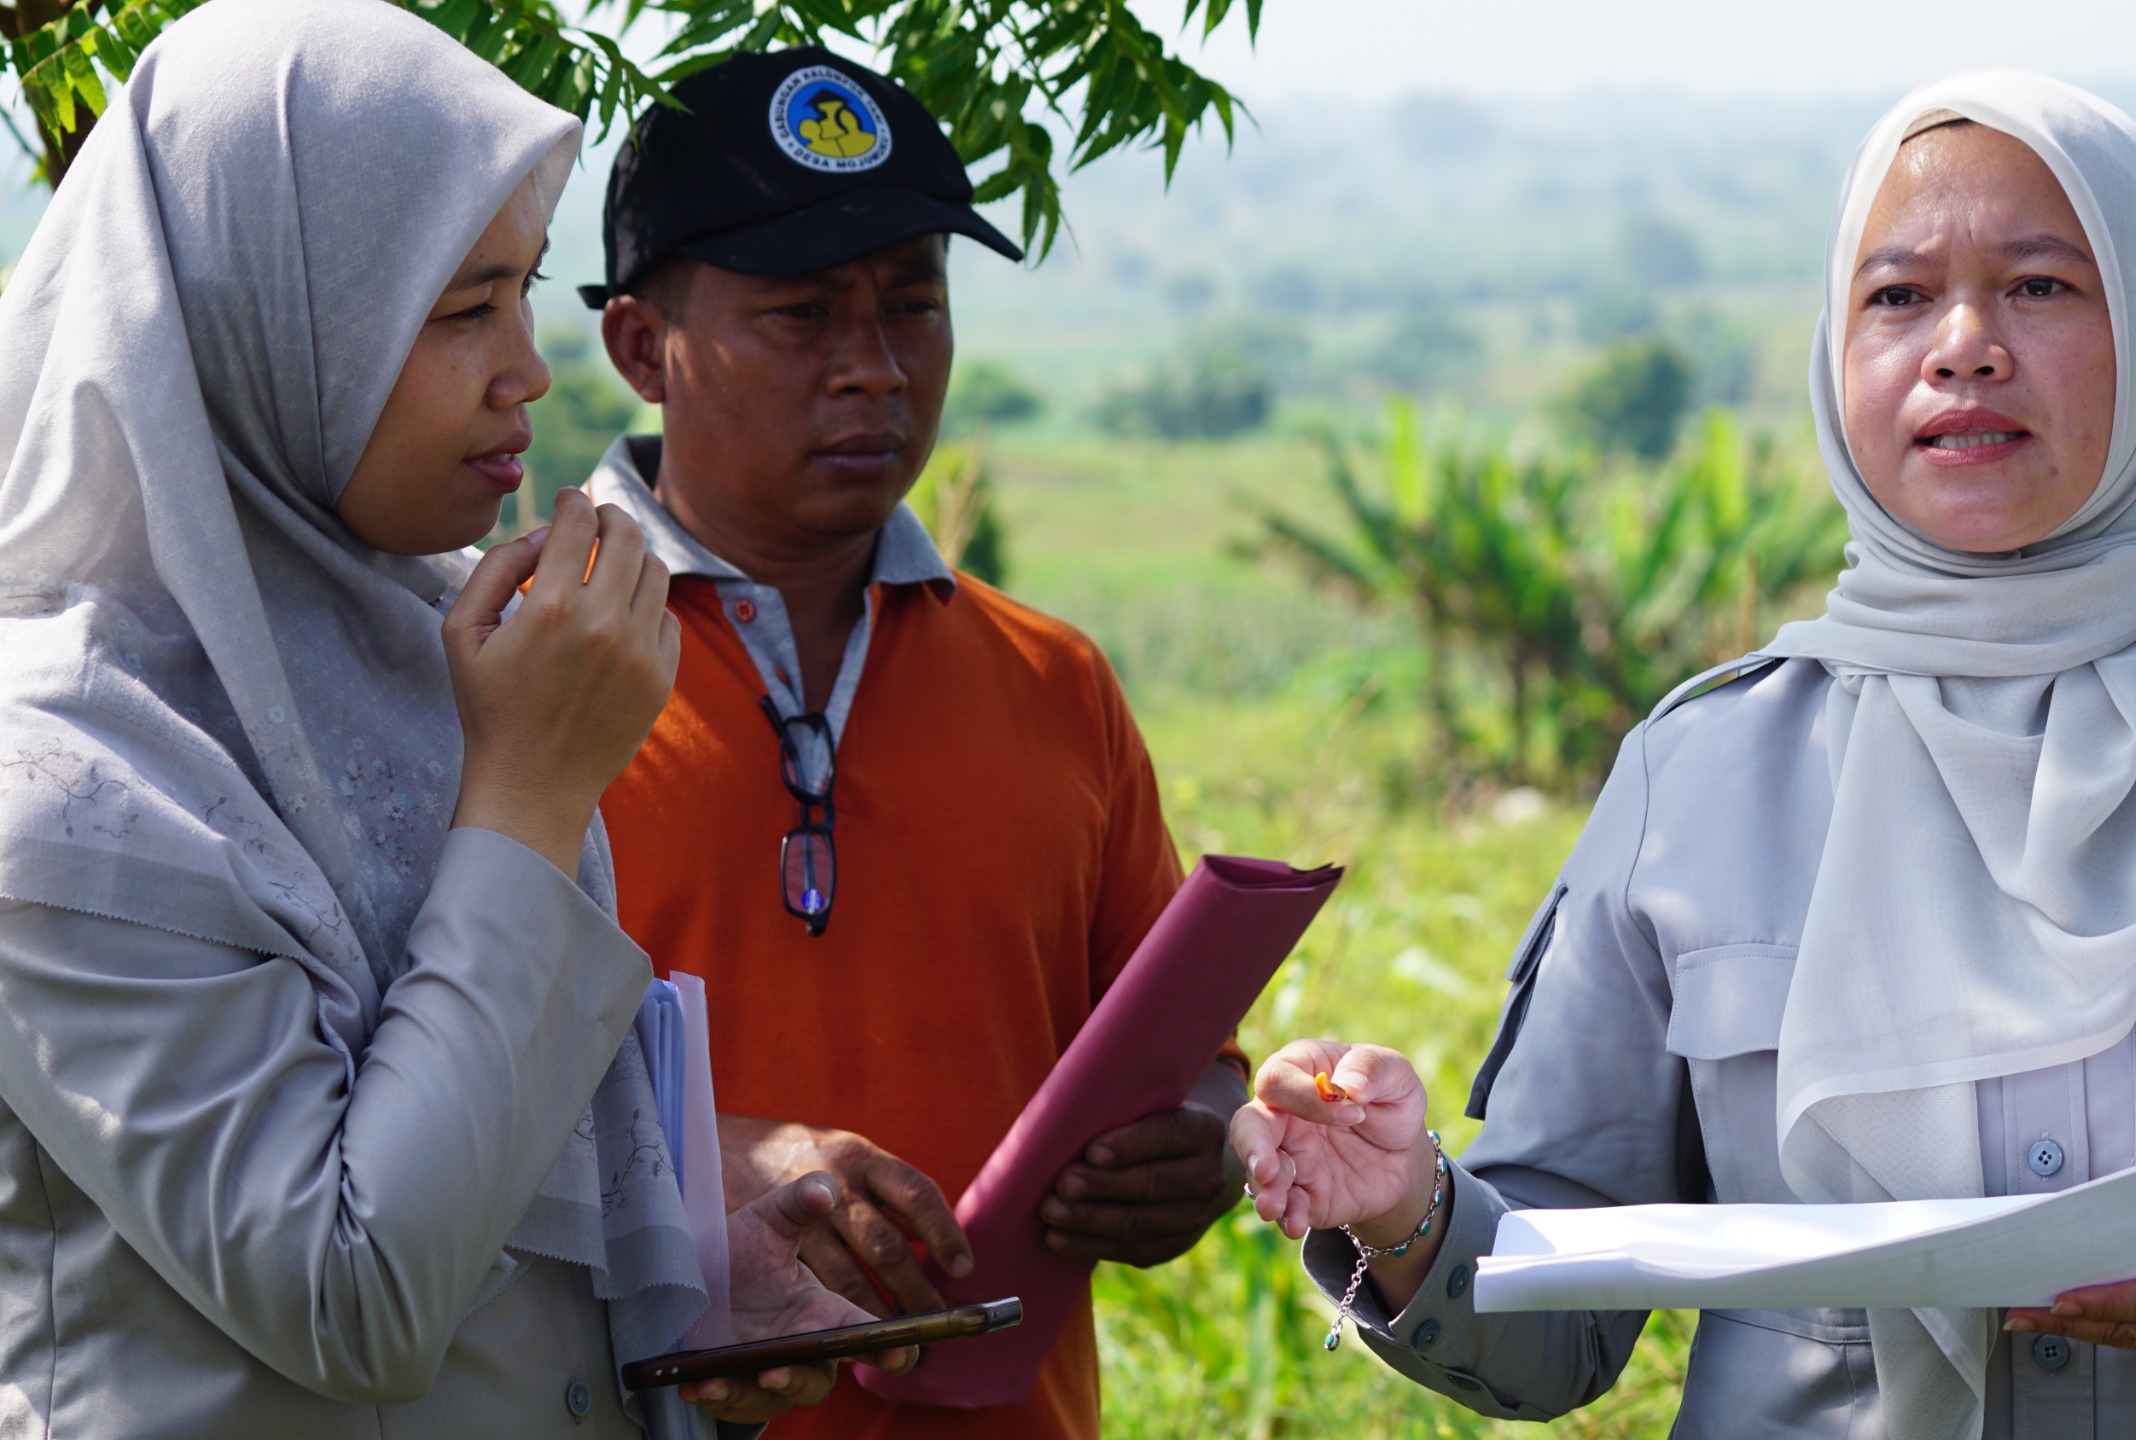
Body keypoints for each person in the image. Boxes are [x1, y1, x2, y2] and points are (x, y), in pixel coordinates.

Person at [1230, 72, 2136, 1440]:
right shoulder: (1705, 772)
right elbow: (1552, 1320)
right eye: (1898, 296)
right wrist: (1404, 1213)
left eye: (2042, 287)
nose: (1964, 346)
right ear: (1836, 350)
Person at [0, 3, 895, 1434]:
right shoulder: (61, 776)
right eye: (459, 308)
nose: (527, 369)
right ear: (270, 319)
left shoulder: (423, 654)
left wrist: (684, 1293)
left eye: (521, 291)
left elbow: (486, 1190)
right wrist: (533, 795)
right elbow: (353, 1299)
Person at [579, 49, 1249, 1440]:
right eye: (803, 315)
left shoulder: (1053, 681)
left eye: (913, 308)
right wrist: (700, 1170)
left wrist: (1200, 1145)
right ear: (643, 348)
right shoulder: (510, 661)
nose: (873, 370)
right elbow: (379, 1137)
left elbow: (1183, 1054)